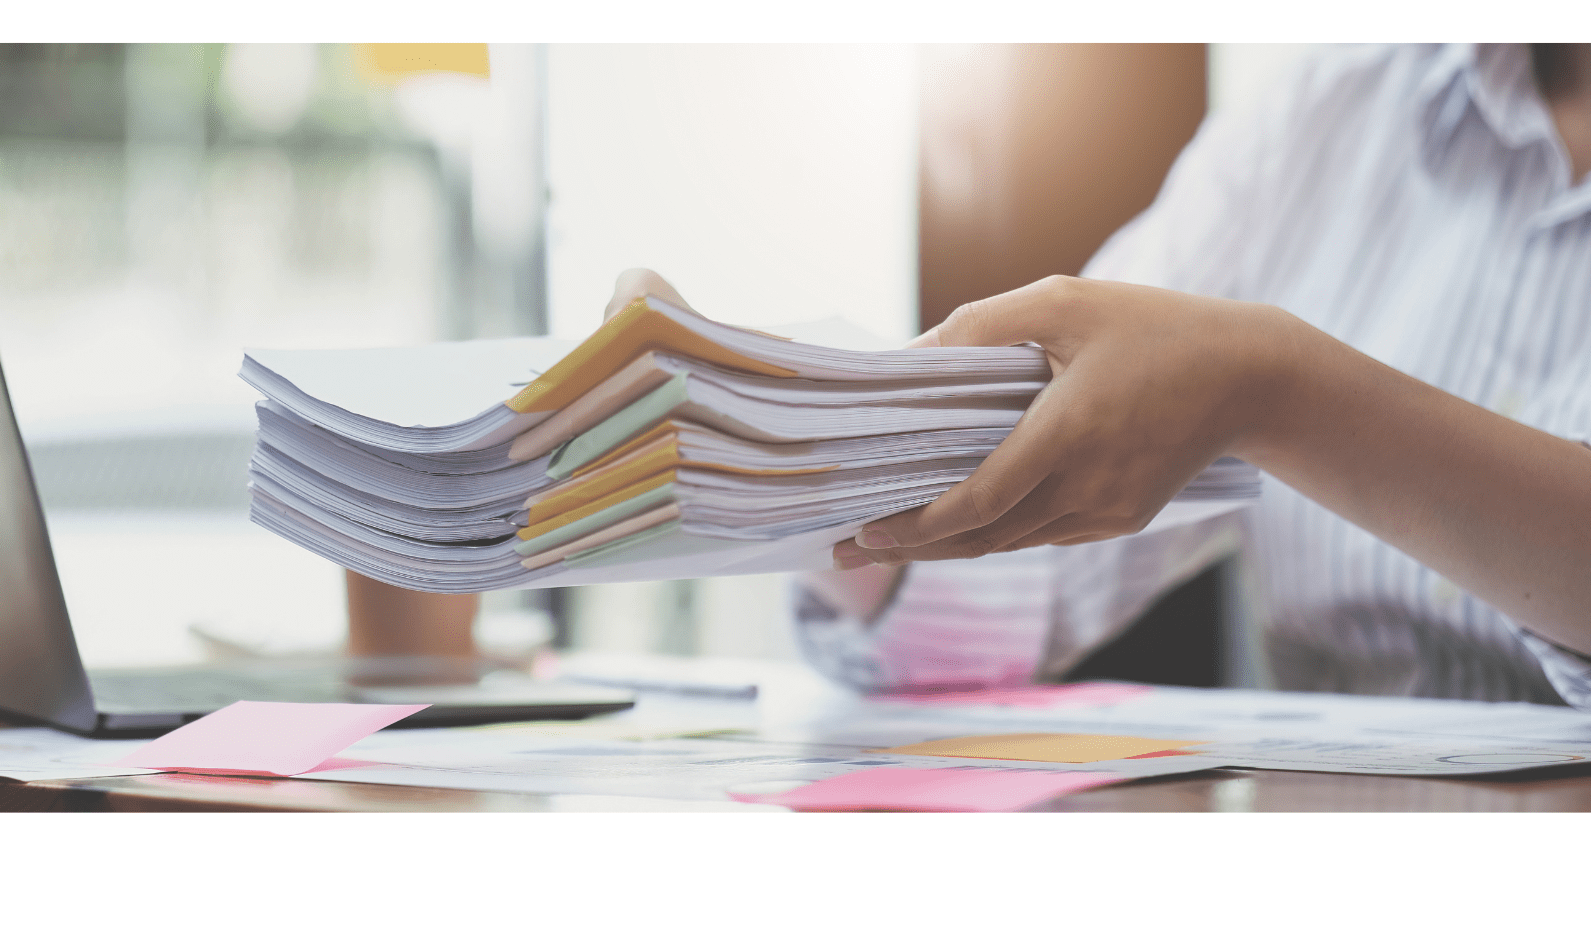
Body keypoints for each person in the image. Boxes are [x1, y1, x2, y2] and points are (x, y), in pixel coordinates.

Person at [608, 43, 1591, 709]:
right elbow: (1029, 570)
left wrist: (1283, 390)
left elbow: (1244, 382)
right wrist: (798, 443)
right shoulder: (1325, 113)